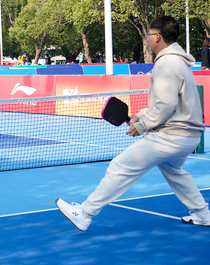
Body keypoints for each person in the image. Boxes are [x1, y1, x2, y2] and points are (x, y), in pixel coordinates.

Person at [56, 16, 210, 231]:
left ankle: (84, 214)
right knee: (174, 172)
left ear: (157, 37)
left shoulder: (167, 63)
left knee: (120, 167)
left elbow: (166, 105)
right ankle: (203, 214)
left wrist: (142, 125)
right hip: (189, 136)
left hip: (170, 136)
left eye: (148, 34)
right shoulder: (181, 62)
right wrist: (141, 115)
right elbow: (173, 102)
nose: (148, 38)